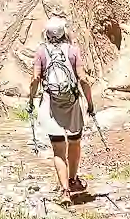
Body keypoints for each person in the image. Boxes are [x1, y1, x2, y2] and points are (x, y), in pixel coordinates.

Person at [29, 14, 94, 204]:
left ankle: (65, 191)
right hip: (72, 102)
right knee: (74, 141)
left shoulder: (41, 52)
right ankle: (73, 180)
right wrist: (90, 103)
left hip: (51, 104)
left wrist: (31, 99)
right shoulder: (73, 51)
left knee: (58, 150)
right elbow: (83, 79)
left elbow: (35, 79)